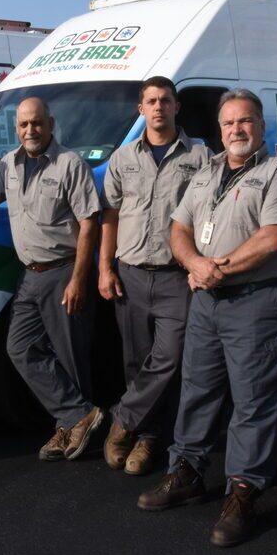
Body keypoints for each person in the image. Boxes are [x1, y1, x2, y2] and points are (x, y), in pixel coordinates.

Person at [137, 89, 277, 548]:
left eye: (246, 121)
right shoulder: (207, 172)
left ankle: (243, 494)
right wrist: (194, 263)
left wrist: (216, 269)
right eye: (229, 123)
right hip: (207, 301)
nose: (237, 130)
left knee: (254, 402)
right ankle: (187, 473)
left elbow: (273, 237)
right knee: (198, 389)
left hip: (258, 303)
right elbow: (180, 227)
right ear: (219, 129)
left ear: (261, 126)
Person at [0, 96, 104, 461]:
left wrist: (78, 279)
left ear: (50, 125)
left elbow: (89, 224)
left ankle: (69, 430)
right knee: (19, 347)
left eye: (36, 123)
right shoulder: (8, 164)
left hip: (63, 272)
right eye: (23, 124)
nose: (30, 130)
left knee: (72, 357)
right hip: (28, 276)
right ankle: (79, 416)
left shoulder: (71, 164)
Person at [98, 77, 211, 475]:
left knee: (170, 357)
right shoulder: (122, 158)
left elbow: (209, 215)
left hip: (175, 276)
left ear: (177, 107)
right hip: (129, 275)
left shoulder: (200, 155)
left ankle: (123, 420)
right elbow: (109, 215)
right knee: (136, 361)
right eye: (151, 101)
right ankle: (147, 439)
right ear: (140, 109)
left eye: (166, 100)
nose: (159, 106)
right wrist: (104, 267)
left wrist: (200, 263)